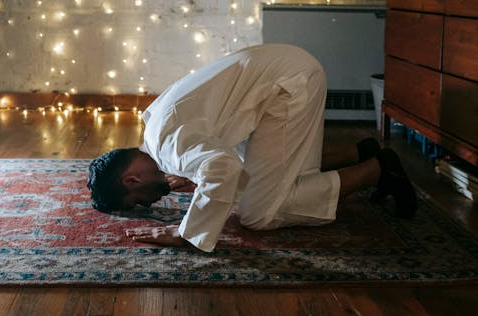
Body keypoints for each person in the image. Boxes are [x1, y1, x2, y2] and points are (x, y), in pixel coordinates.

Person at [87, 43, 417, 252]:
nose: (151, 202)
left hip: (287, 86)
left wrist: (188, 232)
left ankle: (377, 170)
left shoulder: (169, 147)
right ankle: (358, 153)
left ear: (131, 180)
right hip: (284, 72)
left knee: (260, 213)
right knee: (258, 175)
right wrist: (199, 176)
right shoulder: (155, 131)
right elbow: (222, 158)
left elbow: (224, 168)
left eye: (140, 201)